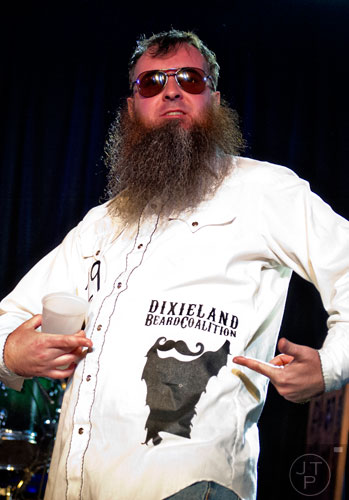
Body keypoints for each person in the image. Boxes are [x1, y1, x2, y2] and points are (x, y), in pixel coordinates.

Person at [0, 29, 348, 500]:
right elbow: (11, 317)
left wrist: (330, 367)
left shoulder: (265, 192)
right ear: (131, 108)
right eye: (150, 83)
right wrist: (11, 354)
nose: (171, 90)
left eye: (190, 78)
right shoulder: (100, 226)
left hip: (191, 487)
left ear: (215, 99)